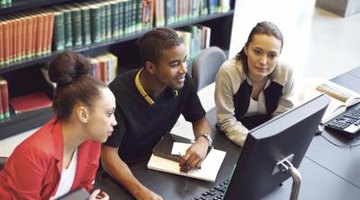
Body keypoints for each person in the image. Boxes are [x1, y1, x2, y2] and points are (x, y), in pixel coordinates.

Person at [101, 27, 212, 200]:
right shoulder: (118, 93)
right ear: (151, 67)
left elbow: (200, 120)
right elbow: (108, 156)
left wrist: (203, 142)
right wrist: (140, 192)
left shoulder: (182, 82)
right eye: (175, 64)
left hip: (156, 161)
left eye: (185, 60)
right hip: (122, 172)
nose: (183, 69)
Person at [0, 52, 117, 199]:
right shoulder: (33, 155)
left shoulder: (91, 140)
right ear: (83, 114)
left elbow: (84, 187)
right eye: (109, 113)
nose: (115, 122)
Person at [215, 21, 295, 146]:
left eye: (272, 55)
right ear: (246, 49)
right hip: (233, 133)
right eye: (257, 52)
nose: (263, 61)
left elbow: (284, 114)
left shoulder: (285, 72)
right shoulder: (228, 72)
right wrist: (255, 144)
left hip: (265, 130)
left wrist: (272, 140)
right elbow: (226, 120)